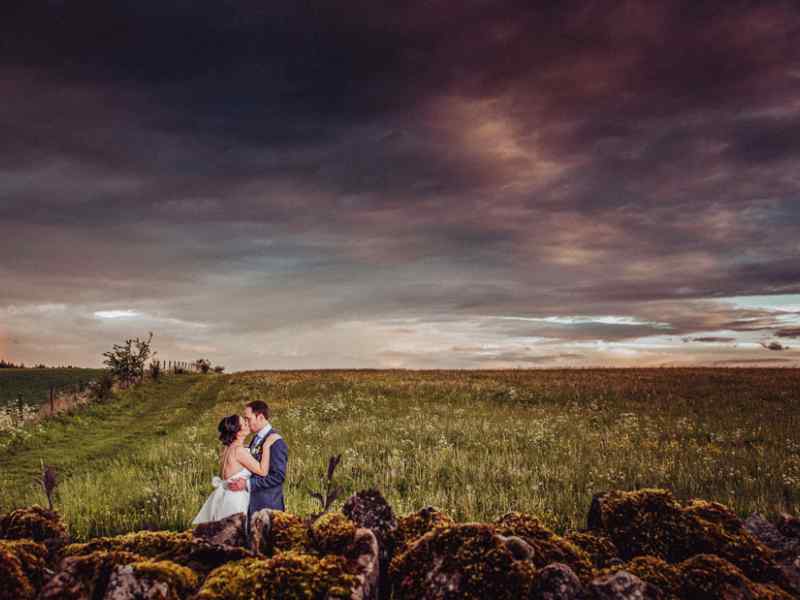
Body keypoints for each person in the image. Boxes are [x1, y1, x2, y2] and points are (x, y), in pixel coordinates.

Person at [191, 414, 279, 524]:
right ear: (238, 432)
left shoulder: (228, 449)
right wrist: (266, 446)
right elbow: (262, 471)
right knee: (235, 534)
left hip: (223, 495)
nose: (248, 424)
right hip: (235, 499)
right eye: (244, 423)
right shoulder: (239, 451)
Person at [227, 400, 288, 515]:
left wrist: (248, 484)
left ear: (260, 417)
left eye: (248, 419)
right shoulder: (255, 439)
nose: (246, 423)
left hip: (267, 507)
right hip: (250, 505)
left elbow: (278, 477)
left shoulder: (275, 441)